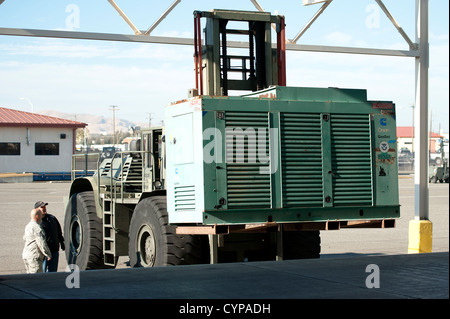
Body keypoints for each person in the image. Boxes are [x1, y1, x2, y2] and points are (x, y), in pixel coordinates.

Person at [35, 201, 65, 272]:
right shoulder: (37, 222)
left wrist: (62, 242)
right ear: (36, 209)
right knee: (43, 273)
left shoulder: (52, 218)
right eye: (42, 207)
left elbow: (59, 231)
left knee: (53, 272)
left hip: (54, 251)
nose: (44, 208)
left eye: (45, 207)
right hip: (44, 253)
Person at [22, 208, 52, 274]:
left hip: (26, 255)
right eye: (41, 215)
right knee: (36, 278)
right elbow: (41, 242)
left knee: (29, 277)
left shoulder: (28, 226)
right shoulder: (37, 228)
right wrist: (48, 254)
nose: (42, 216)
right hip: (34, 257)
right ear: (37, 216)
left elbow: (24, 238)